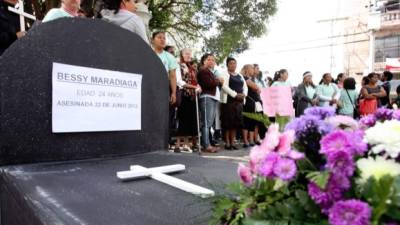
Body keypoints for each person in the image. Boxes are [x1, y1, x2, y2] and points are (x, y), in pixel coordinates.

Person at [151, 31, 178, 150]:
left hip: (163, 89)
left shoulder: (169, 57)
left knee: (164, 116)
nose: (162, 40)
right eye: (159, 37)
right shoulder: (147, 53)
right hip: (149, 88)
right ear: (152, 40)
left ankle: (163, 143)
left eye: (164, 38)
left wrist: (173, 92)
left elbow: (172, 76)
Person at [197, 53, 224, 153]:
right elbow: (208, 84)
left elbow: (215, 84)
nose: (211, 61)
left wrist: (217, 81)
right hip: (206, 97)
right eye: (209, 59)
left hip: (212, 98)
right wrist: (218, 80)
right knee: (206, 123)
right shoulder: (203, 71)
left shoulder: (210, 72)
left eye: (213, 60)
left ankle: (208, 144)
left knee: (209, 123)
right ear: (204, 61)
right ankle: (206, 145)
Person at [175, 48, 200, 152]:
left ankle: (187, 144)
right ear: (181, 54)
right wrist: (194, 87)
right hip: (183, 95)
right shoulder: (177, 65)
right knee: (183, 119)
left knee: (191, 120)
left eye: (190, 54)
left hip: (192, 97)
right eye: (186, 53)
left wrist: (198, 86)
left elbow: (195, 81)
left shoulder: (191, 68)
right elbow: (179, 82)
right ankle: (177, 145)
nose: (188, 55)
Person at [220, 57, 247, 150]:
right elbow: (224, 86)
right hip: (229, 101)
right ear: (227, 64)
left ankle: (233, 142)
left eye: (234, 63)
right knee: (228, 123)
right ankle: (227, 142)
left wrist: (244, 94)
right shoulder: (224, 74)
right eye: (231, 63)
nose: (233, 65)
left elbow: (245, 86)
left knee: (235, 123)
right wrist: (235, 94)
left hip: (239, 102)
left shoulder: (240, 75)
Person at [241, 64, 261, 148]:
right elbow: (255, 87)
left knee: (253, 121)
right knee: (246, 121)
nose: (253, 70)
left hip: (253, 102)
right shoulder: (244, 78)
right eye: (252, 68)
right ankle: (245, 141)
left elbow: (257, 89)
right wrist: (257, 88)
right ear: (247, 69)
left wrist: (257, 88)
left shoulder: (251, 79)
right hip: (248, 102)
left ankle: (252, 140)